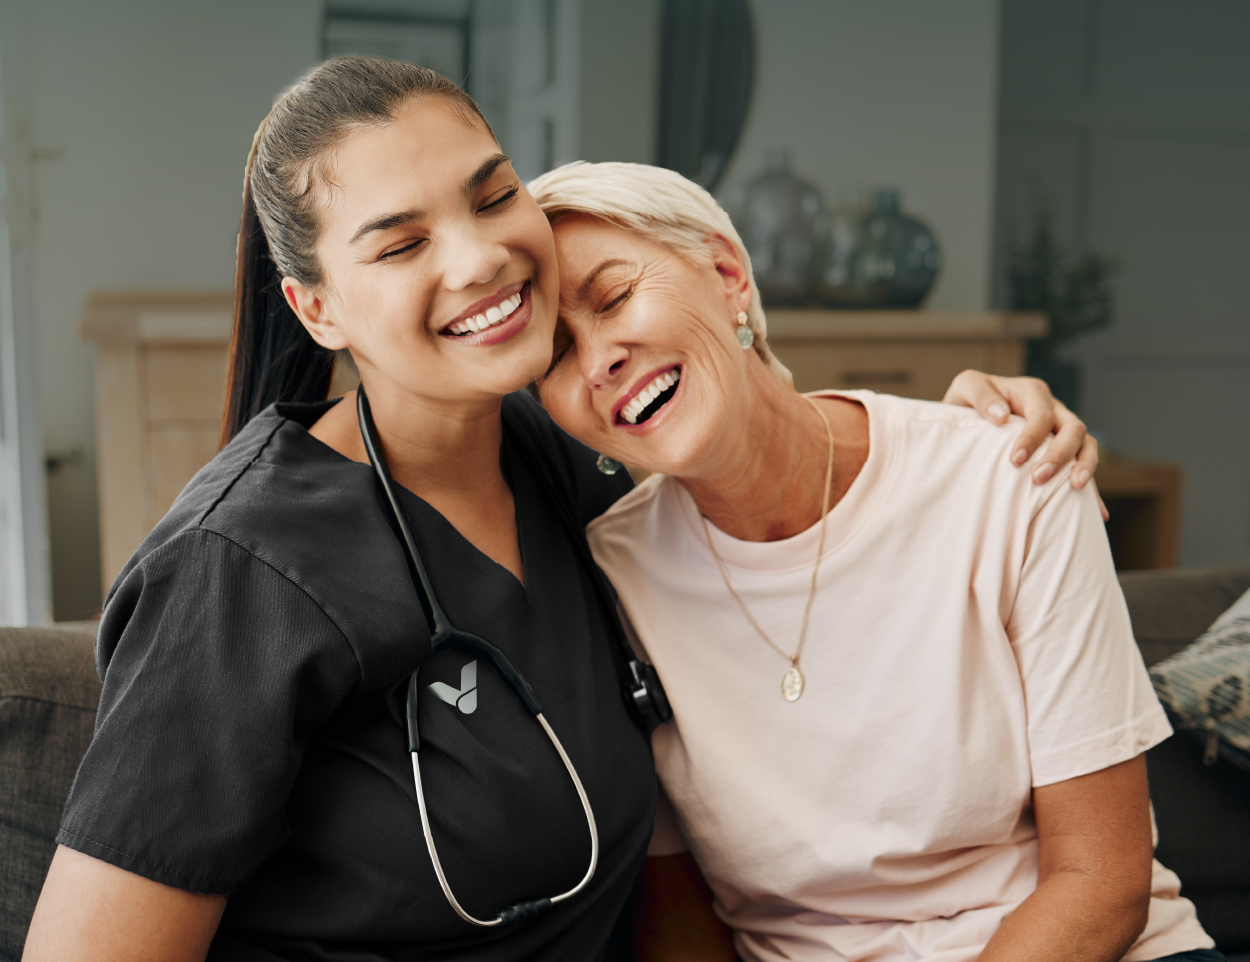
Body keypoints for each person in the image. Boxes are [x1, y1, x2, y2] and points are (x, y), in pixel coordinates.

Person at [25, 59, 1094, 962]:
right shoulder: (238, 566)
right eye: (399, 244)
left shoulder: (564, 453)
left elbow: (753, 439)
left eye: (492, 195)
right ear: (316, 306)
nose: (480, 255)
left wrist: (964, 431)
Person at [527, 160, 1220, 962]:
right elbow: (678, 917)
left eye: (613, 298)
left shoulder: (1012, 476)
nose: (598, 359)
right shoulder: (609, 579)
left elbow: (1102, 881)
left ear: (726, 276)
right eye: (553, 356)